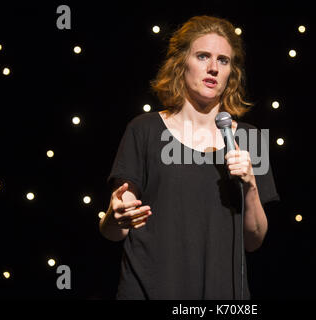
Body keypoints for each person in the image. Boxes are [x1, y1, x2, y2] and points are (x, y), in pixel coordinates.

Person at [100, 15, 279, 300]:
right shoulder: (144, 129)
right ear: (181, 62)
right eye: (203, 56)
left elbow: (254, 241)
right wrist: (114, 217)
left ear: (232, 72)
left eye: (223, 60)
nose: (213, 68)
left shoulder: (248, 138)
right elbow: (114, 230)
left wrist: (251, 184)